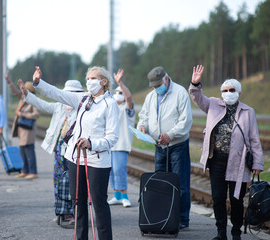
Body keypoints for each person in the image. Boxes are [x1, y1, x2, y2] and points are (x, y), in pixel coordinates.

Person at [18, 66, 119, 240]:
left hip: (97, 160)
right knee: (78, 203)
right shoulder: (83, 98)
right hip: (74, 157)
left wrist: (91, 143)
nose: (89, 82)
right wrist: (38, 83)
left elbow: (112, 137)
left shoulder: (110, 104)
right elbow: (57, 94)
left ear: (104, 82)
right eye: (87, 78)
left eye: (93, 78)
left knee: (98, 202)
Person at [189, 65, 263, 240]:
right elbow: (197, 98)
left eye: (232, 90)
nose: (228, 92)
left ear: (238, 92)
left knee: (236, 198)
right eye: (225, 90)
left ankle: (236, 232)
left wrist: (258, 163)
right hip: (217, 161)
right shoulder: (213, 104)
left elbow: (254, 139)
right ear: (221, 92)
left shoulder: (248, 112)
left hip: (239, 162)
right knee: (218, 197)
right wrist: (195, 83)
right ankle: (221, 232)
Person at [137, 66, 193, 230]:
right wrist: (142, 127)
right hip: (159, 146)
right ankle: (163, 216)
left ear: (166, 79)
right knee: (160, 183)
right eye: (153, 86)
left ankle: (182, 219)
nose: (156, 89)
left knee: (180, 183)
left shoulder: (180, 93)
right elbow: (144, 116)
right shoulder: (151, 96)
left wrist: (171, 134)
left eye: (158, 85)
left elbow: (185, 121)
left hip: (177, 145)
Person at [22, 79, 84, 224]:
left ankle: (76, 214)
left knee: (75, 183)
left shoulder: (83, 109)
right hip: (59, 150)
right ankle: (61, 211)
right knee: (58, 181)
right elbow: (42, 105)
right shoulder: (59, 106)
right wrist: (28, 95)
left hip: (75, 152)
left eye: (72, 94)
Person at [107, 69, 135, 208]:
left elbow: (129, 98)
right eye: (116, 93)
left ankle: (124, 196)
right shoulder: (111, 108)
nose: (118, 95)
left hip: (121, 144)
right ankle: (117, 195)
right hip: (109, 145)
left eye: (120, 93)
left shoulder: (127, 109)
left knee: (119, 169)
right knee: (111, 170)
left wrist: (120, 83)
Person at [5, 72, 40, 179]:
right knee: (23, 152)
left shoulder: (34, 100)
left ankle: (33, 172)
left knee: (29, 152)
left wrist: (23, 114)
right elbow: (15, 92)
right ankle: (25, 170)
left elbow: (36, 114)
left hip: (28, 130)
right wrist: (9, 82)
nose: (23, 90)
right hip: (21, 129)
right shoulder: (23, 98)